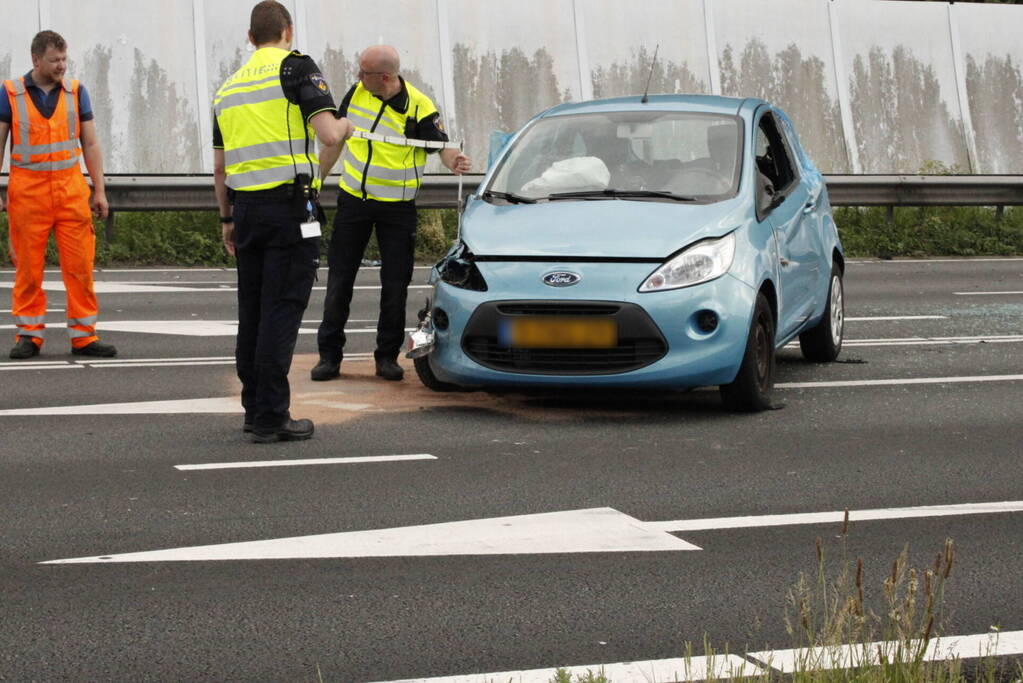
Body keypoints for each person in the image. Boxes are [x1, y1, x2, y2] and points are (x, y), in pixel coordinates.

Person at [213, 0, 352, 443]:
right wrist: (347, 125)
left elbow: (220, 168)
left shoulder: (228, 88)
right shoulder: (296, 68)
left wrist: (226, 219)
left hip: (247, 210)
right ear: (287, 31)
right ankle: (274, 416)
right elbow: (328, 133)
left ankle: (255, 409)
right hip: (289, 210)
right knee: (282, 311)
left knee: (251, 311)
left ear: (250, 38)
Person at [311, 45, 471, 383]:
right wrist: (316, 182)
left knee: (394, 285)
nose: (356, 77)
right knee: (339, 279)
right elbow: (336, 140)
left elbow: (441, 145)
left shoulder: (419, 106)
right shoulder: (357, 92)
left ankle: (386, 357)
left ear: (384, 77)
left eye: (363, 72)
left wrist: (454, 161)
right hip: (354, 200)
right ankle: (329, 355)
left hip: (397, 209)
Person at [0, 30, 115, 359]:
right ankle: (29, 336)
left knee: (79, 267)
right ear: (36, 60)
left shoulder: (77, 92)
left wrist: (100, 191)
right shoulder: (11, 93)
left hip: (70, 191)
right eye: (54, 60)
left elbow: (90, 144)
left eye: (64, 59)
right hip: (27, 194)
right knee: (28, 269)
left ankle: (84, 336)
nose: (62, 65)